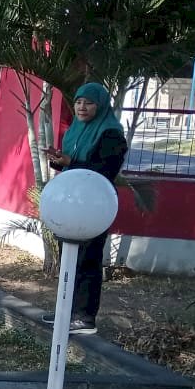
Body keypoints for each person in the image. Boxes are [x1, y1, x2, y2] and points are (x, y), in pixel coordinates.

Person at [41, 82, 128, 336]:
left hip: (93, 205)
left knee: (87, 260)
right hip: (71, 203)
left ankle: (85, 317)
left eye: (88, 102)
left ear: (99, 106)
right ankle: (65, 312)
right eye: (79, 101)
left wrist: (72, 162)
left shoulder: (111, 133)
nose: (82, 107)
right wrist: (60, 162)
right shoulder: (75, 130)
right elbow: (75, 168)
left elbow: (105, 169)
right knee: (69, 258)